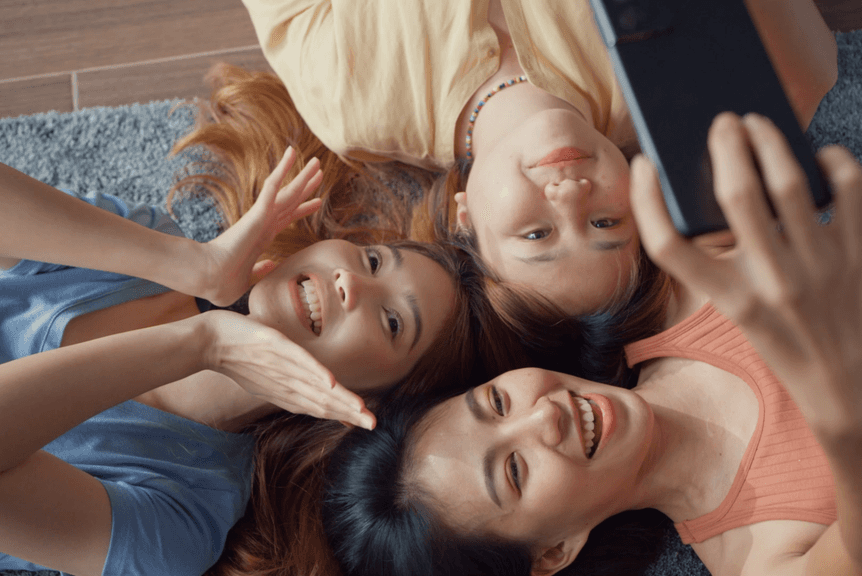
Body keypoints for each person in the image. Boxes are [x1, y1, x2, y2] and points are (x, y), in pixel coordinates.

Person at [318, 112, 862, 576]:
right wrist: (854, 405)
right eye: (515, 473)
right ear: (552, 554)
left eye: (497, 401)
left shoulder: (655, 297)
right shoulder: (755, 555)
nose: (543, 418)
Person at [0, 147, 531, 576]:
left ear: (364, 403)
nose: (351, 282)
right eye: (372, 259)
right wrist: (192, 263)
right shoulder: (143, 247)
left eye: (392, 321)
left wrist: (204, 343)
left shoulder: (185, 518)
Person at [194, 0, 839, 315]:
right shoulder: (666, 60)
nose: (570, 197)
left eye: (538, 234)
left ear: (464, 214)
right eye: (606, 224)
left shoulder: (353, 107)